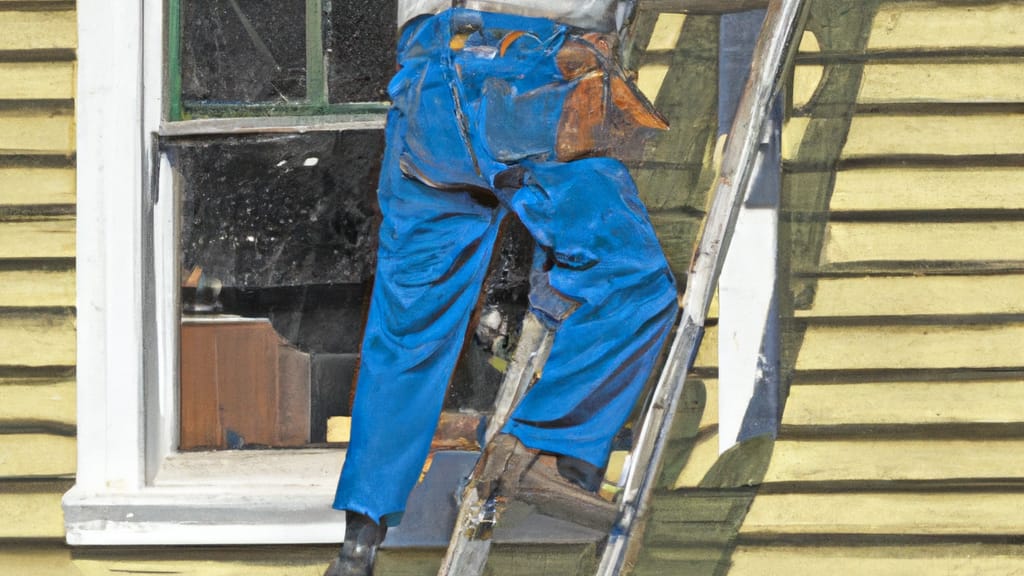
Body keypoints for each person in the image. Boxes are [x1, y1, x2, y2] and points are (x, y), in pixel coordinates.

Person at [325, 2, 678, 574]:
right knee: (631, 286)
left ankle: (358, 544)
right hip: (531, 70)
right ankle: (546, 446)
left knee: (409, 325)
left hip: (428, 83)